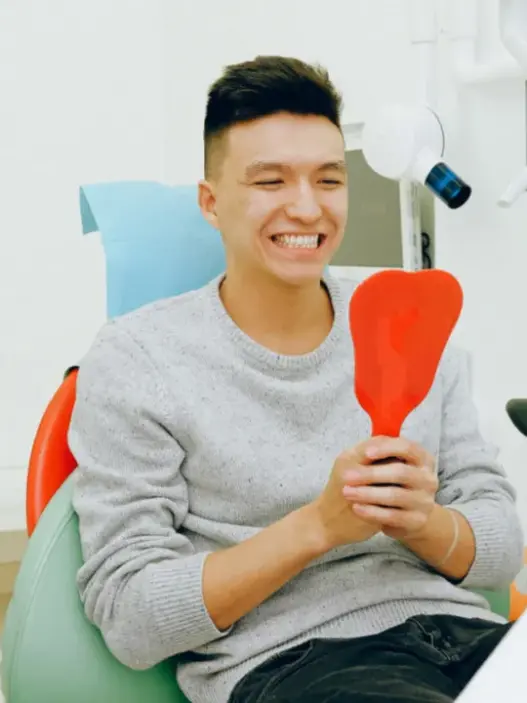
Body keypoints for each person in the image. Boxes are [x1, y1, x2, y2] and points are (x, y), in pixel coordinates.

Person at [68, 55, 524, 703]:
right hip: (291, 661)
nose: (307, 208)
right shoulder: (139, 358)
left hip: (462, 632)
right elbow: (130, 616)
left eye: (328, 179)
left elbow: (500, 549)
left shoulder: (404, 320)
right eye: (270, 181)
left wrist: (421, 520)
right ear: (211, 202)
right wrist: (318, 526)